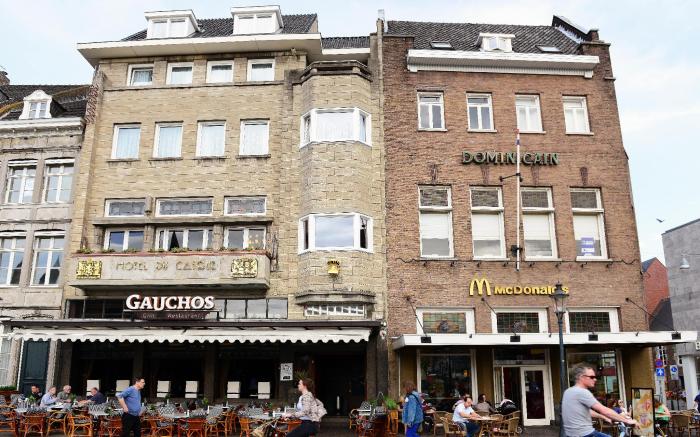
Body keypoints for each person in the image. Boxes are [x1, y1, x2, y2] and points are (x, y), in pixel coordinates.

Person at [562, 364, 637, 437]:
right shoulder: (582, 392)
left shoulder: (568, 391)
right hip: (586, 434)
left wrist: (603, 417)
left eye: (595, 377)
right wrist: (627, 421)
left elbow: (586, 411)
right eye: (592, 377)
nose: (595, 379)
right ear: (582, 377)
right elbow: (604, 410)